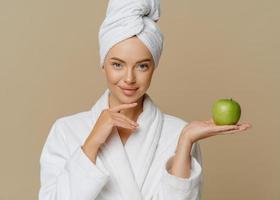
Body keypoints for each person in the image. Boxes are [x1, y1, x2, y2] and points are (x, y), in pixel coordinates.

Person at [39, 0, 252, 200]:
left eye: (142, 66)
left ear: (154, 67)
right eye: (117, 64)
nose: (129, 78)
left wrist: (185, 140)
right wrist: (92, 142)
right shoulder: (66, 130)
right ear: (103, 63)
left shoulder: (176, 132)